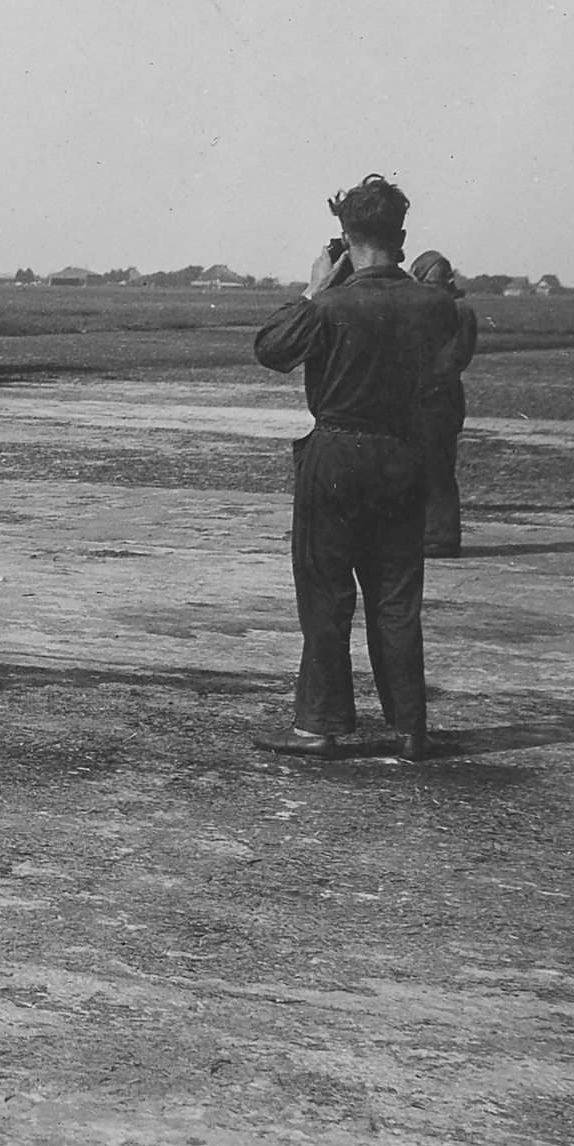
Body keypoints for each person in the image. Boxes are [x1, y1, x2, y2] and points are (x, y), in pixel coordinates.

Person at [252, 175, 463, 761]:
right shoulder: (436, 305)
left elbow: (271, 350)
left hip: (336, 455)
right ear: (400, 234)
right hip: (402, 454)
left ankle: (319, 725)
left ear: (345, 237)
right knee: (397, 595)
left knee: (325, 594)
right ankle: (411, 728)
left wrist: (316, 289)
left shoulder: (330, 305)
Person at [409, 250, 479, 557]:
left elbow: (452, 360)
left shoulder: (458, 310)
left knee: (437, 470)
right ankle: (431, 533)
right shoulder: (447, 308)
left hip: (437, 401)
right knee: (428, 468)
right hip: (434, 400)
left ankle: (441, 536)